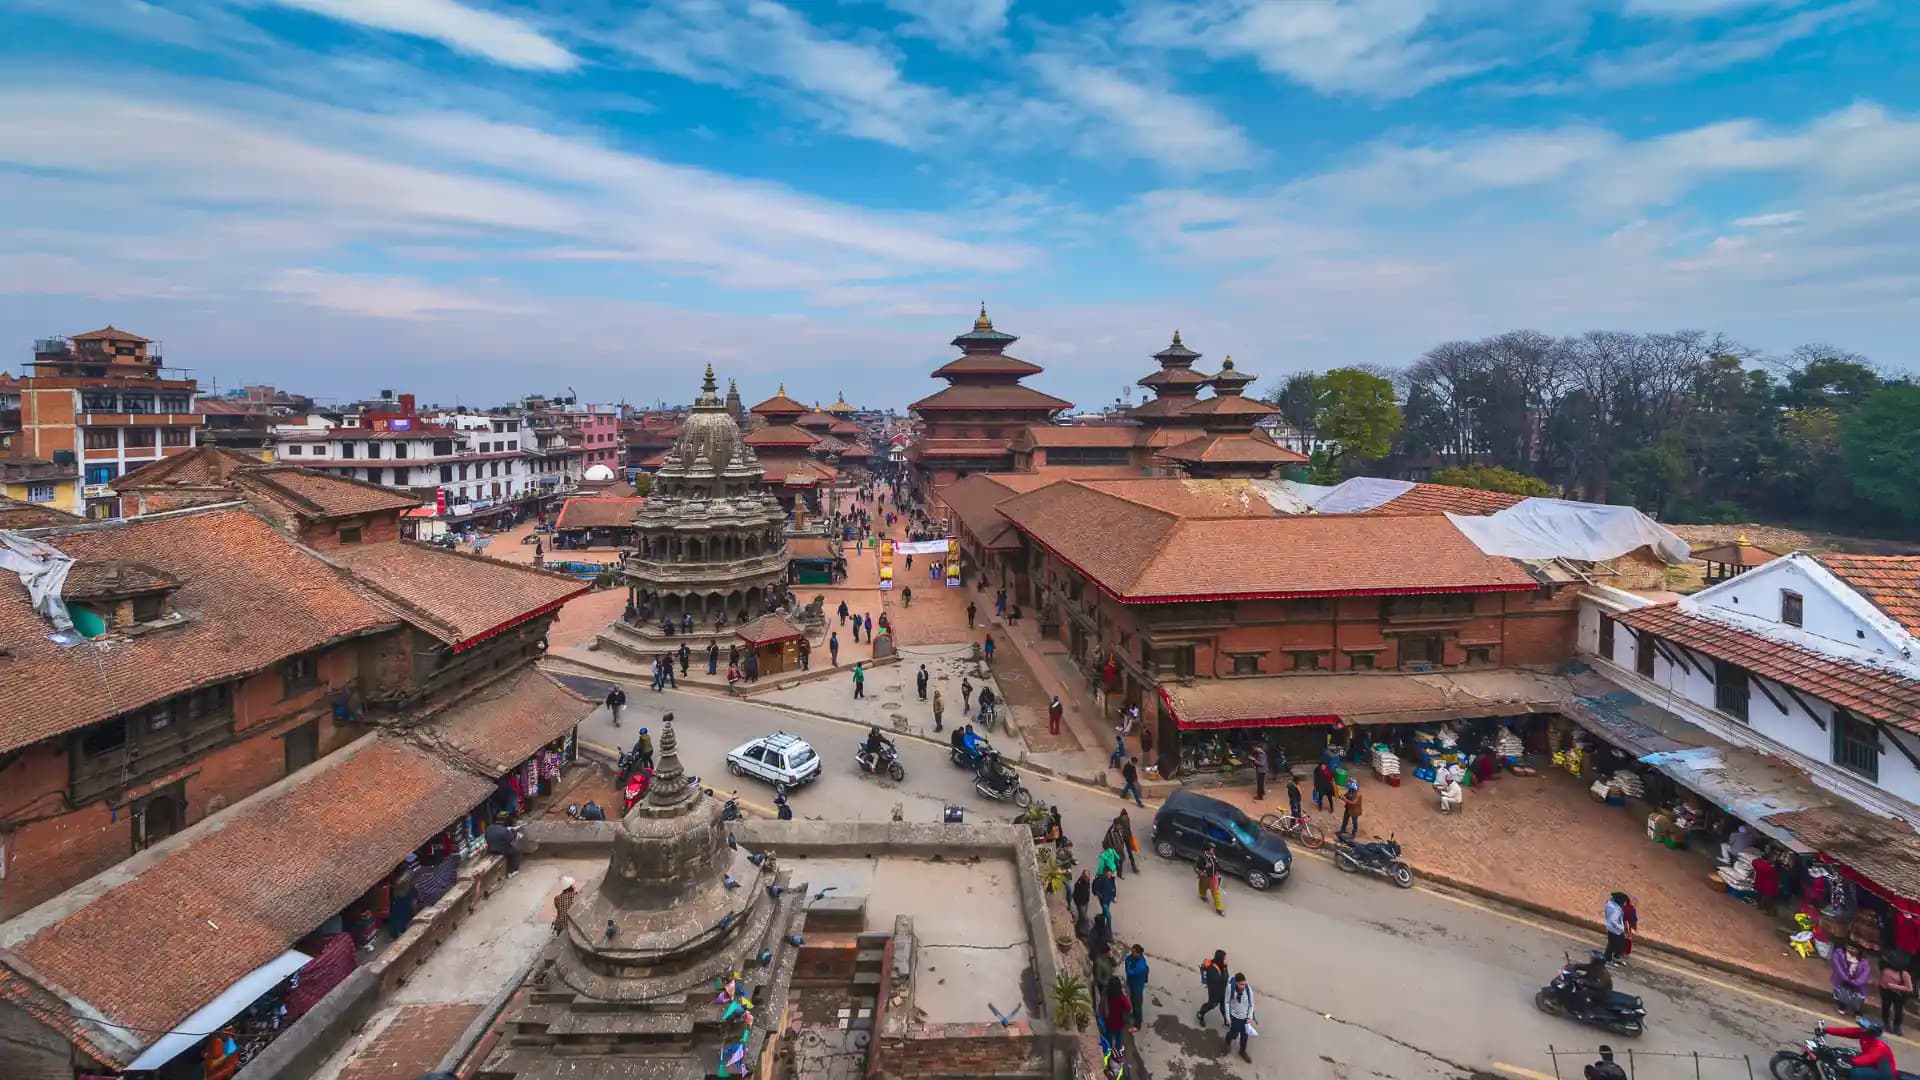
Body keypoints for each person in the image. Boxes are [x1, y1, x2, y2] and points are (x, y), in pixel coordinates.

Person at [1829, 1018, 1896, 1080]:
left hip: (1882, 1072)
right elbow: (1848, 1032)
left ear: (1871, 1032)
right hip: (1871, 1063)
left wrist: (1852, 1061)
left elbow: (1869, 1058)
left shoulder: (1880, 1045)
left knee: (1854, 1073)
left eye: (1863, 1028)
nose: (1861, 1029)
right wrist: (1827, 1030)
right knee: (1841, 1052)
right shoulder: (1865, 1035)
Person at [1224, 973, 1256, 1062]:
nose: (1243, 986)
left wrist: (1249, 1017)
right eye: (1241, 984)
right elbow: (1227, 1002)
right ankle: (1227, 1041)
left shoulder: (1248, 990)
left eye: (1244, 984)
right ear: (1236, 983)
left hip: (1245, 1019)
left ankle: (1242, 1051)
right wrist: (1228, 1018)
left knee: (1244, 1037)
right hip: (1234, 1017)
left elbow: (1251, 1005)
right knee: (1233, 1034)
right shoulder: (1230, 988)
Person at [1835, 942, 1874, 1016]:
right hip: (1846, 980)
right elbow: (1839, 967)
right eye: (1849, 947)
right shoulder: (1843, 956)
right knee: (1844, 994)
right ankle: (1842, 1007)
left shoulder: (1864, 962)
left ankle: (1857, 1012)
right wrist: (1845, 977)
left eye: (1853, 948)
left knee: (1858, 999)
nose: (1850, 950)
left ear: (1858, 950)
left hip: (1858, 983)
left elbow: (1865, 974)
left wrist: (1857, 982)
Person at [1197, 950, 1230, 1027]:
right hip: (1215, 992)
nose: (1226, 960)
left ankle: (1226, 1020)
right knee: (1211, 1004)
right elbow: (1220, 979)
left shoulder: (1222, 965)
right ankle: (1200, 1014)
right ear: (1220, 959)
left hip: (1222, 990)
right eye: (1225, 958)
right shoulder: (1212, 969)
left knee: (1224, 1006)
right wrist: (1225, 968)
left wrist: (1225, 966)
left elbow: (1226, 977)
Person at [389, 855, 418, 940]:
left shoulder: (403, 877)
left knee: (396, 916)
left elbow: (397, 885)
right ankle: (403, 929)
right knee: (404, 912)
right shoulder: (411, 871)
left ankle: (395, 934)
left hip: (400, 896)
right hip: (407, 893)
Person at [1882, 955, 1912, 1035]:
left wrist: (1894, 986)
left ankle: (1897, 1026)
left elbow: (1909, 988)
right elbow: (1883, 983)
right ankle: (1886, 1023)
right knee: (1885, 1007)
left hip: (1899, 995)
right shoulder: (1886, 971)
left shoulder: (1905, 974)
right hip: (1887, 992)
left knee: (1898, 1011)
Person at [1102, 976, 1131, 1054]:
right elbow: (1128, 1008)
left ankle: (1107, 1054)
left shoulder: (1106, 994)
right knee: (1119, 1040)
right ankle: (1117, 1055)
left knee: (1108, 1039)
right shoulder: (1122, 998)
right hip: (1119, 1023)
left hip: (1108, 1021)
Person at [1125, 944, 1150, 1030]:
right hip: (1132, 985)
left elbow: (1129, 972)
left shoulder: (1141, 966)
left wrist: (1128, 964)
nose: (1131, 953)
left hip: (1137, 988)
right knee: (1133, 1002)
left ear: (1138, 953)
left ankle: (1137, 1025)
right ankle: (1134, 1015)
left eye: (1133, 952)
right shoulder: (1135, 957)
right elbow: (1128, 958)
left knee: (1137, 1006)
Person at [1196, 842, 1224, 915]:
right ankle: (1203, 895)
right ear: (1207, 850)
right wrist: (1206, 866)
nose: (1213, 851)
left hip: (1214, 876)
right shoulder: (1202, 857)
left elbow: (1217, 865)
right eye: (1212, 849)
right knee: (1203, 886)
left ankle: (1219, 908)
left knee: (1215, 892)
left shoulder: (1213, 855)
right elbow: (1198, 866)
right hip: (1205, 876)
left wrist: (1217, 867)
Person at [1604, 892, 1630, 962]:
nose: (1624, 904)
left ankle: (1613, 956)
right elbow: (1613, 920)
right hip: (1615, 930)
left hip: (1612, 928)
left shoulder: (1611, 905)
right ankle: (1608, 958)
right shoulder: (1616, 910)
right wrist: (1621, 928)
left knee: (1613, 944)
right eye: (1624, 902)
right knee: (1614, 945)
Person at [1072, 870, 1093, 936]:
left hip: (1085, 901)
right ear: (1083, 877)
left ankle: (1080, 928)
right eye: (1087, 877)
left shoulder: (1087, 882)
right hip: (1081, 903)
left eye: (1088, 877)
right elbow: (1076, 895)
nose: (1088, 878)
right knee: (1084, 918)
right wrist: (1078, 903)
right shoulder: (1079, 884)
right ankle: (1080, 931)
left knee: (1082, 916)